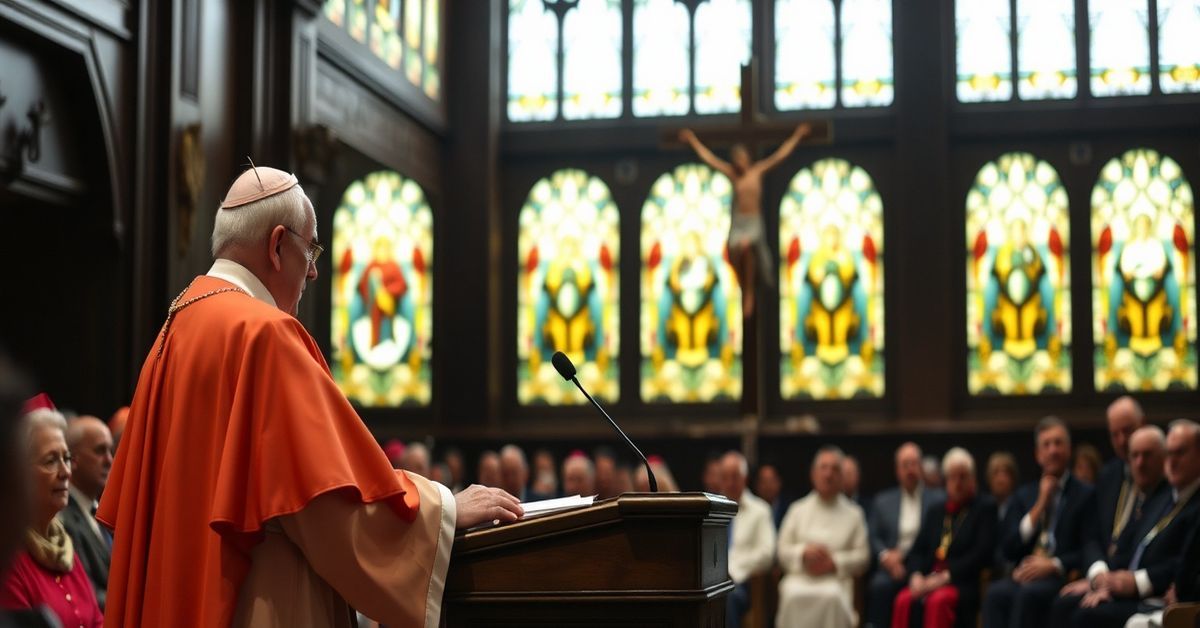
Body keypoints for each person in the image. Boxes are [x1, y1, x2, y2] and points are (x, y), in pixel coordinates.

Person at [96, 166, 522, 627]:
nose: (315, 271)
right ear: (278, 245)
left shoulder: (175, 328)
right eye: (311, 249)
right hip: (257, 600)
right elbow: (328, 507)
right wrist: (446, 508)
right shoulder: (265, 335)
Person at [1052, 421, 1200, 628]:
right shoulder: (1162, 497)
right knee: (1064, 603)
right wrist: (1103, 581)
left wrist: (1136, 582)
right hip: (1127, 588)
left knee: (1086, 617)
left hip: (1154, 595)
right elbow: (1126, 546)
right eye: (1170, 453)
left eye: (1180, 453)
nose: (1172, 461)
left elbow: (1185, 563)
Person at [679, 123, 811, 317]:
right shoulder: (734, 176)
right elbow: (710, 160)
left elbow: (780, 155)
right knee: (734, 250)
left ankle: (748, 291)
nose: (739, 162)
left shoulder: (757, 172)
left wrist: (797, 136)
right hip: (739, 222)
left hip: (753, 222)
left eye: (741, 158)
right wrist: (693, 141)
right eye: (735, 159)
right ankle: (742, 285)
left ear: (747, 158)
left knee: (747, 247)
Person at [983, 416, 1097, 628]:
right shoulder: (1024, 495)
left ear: (1068, 449)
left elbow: (1089, 546)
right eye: (1047, 445)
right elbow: (1008, 548)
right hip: (1024, 575)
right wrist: (1040, 504)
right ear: (1038, 454)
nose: (1053, 450)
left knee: (1029, 595)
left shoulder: (1085, 494)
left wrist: (1054, 565)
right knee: (995, 594)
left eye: (1058, 443)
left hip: (1060, 577)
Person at [1, 395, 103, 627]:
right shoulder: (10, 561)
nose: (66, 472)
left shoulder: (64, 548)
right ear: (20, 475)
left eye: (66, 458)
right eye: (50, 461)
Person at [891, 448, 997, 628]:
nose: (957, 483)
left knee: (938, 601)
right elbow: (918, 550)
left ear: (973, 479)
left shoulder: (984, 508)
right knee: (903, 599)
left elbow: (982, 553)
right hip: (928, 579)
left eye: (963, 477)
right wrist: (915, 575)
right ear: (946, 481)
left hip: (961, 582)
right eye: (952, 477)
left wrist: (946, 576)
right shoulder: (936, 511)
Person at [776, 445, 869, 628]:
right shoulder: (797, 509)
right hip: (800, 577)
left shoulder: (854, 513)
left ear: (842, 477)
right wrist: (803, 553)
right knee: (792, 595)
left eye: (835, 469)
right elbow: (781, 549)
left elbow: (863, 556)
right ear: (813, 474)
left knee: (832, 597)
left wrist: (833, 562)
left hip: (836, 581)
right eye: (823, 468)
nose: (828, 474)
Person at [867, 442, 943, 628]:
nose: (910, 470)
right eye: (905, 464)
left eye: (914, 464)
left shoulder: (938, 499)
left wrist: (906, 556)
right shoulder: (882, 500)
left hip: (925, 566)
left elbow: (939, 537)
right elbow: (873, 536)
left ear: (921, 468)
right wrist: (886, 556)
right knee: (879, 586)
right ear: (897, 470)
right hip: (891, 567)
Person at [61, 416, 113, 610]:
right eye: (100, 451)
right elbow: (87, 594)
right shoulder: (63, 520)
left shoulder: (106, 512)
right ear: (73, 459)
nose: (109, 460)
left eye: (110, 451)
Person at [721, 451, 776, 628]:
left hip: (743, 584)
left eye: (735, 477)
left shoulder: (760, 510)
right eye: (725, 477)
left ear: (744, 478)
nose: (730, 482)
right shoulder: (709, 510)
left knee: (726, 596)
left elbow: (767, 555)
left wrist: (734, 570)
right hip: (710, 581)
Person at [1091, 396, 1147, 567]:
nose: (1122, 440)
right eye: (1115, 434)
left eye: (1128, 430)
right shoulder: (1107, 475)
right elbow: (1092, 535)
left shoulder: (1164, 474)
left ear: (1143, 424)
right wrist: (1097, 570)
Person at [755, 462, 792, 530]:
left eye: (771, 481)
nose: (768, 486)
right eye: (764, 482)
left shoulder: (790, 508)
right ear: (757, 485)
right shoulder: (752, 509)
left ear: (779, 482)